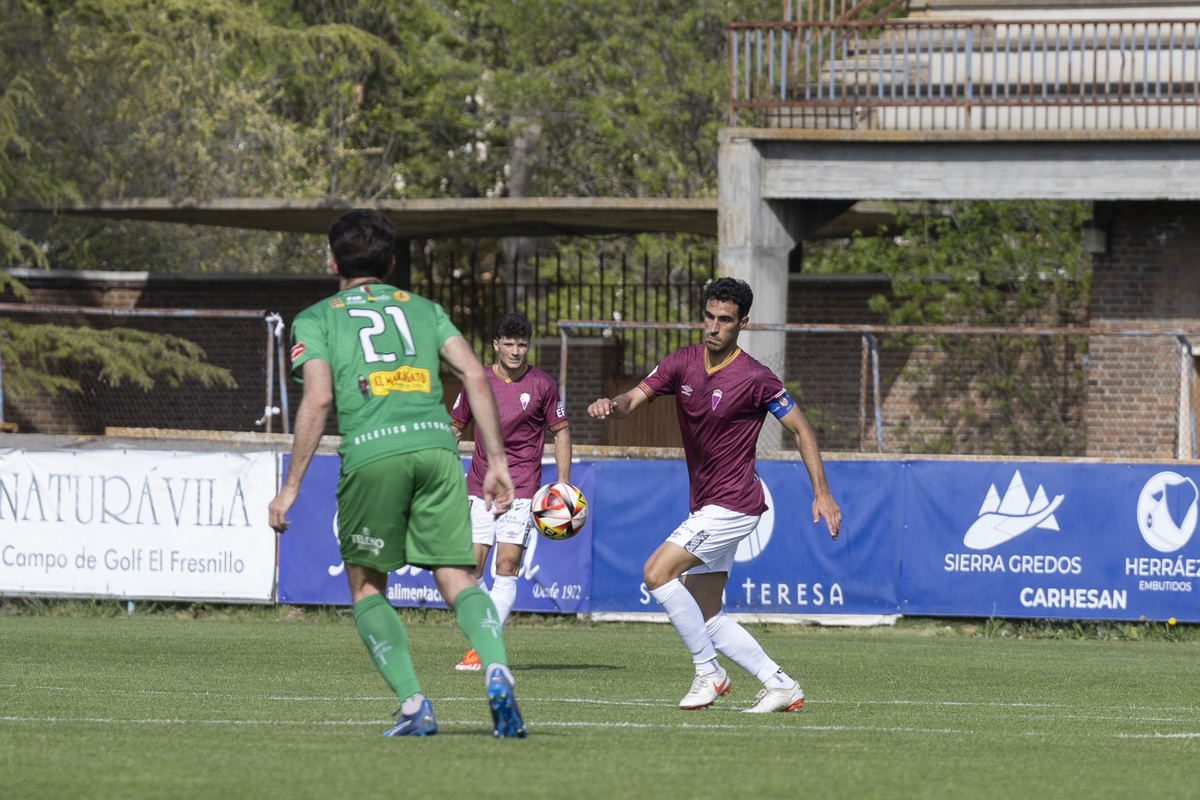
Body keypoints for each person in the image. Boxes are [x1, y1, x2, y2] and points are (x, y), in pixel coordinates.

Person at [268, 209, 526, 738]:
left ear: (333, 260)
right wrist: (497, 461)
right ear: (390, 261)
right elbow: (475, 373)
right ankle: (496, 666)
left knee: (366, 587)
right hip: (436, 450)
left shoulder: (316, 318)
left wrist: (290, 486)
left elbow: (318, 397)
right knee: (459, 576)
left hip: (372, 452)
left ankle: (414, 704)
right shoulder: (425, 309)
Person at [587, 276, 841, 713]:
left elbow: (801, 429)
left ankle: (710, 673)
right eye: (709, 316)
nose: (714, 326)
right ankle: (781, 685)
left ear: (742, 323)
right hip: (707, 502)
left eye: (725, 320)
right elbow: (635, 397)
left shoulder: (756, 378)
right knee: (707, 613)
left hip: (735, 502)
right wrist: (613, 404)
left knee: (656, 573)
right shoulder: (681, 362)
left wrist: (823, 494)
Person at [449, 312, 571, 671]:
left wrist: (562, 483)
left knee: (506, 565)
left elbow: (560, 431)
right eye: (509, 344)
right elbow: (455, 427)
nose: (516, 351)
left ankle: (484, 646)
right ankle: (487, 627)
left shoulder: (543, 385)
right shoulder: (477, 381)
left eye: (522, 344)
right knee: (469, 571)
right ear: (496, 345)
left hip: (522, 489)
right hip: (480, 485)